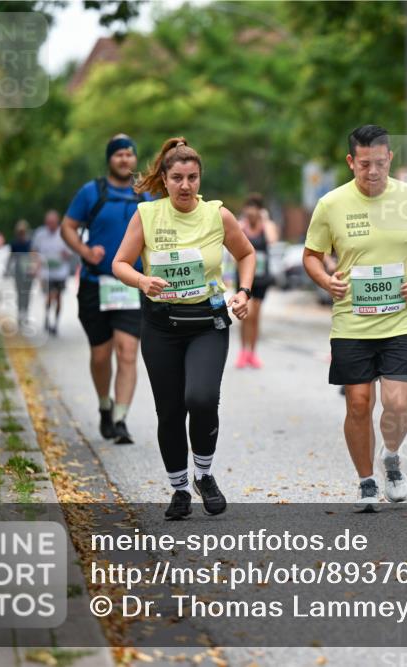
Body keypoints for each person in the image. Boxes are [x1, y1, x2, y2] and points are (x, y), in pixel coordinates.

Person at [113, 137, 256, 520]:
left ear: (199, 178)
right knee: (170, 410)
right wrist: (143, 282)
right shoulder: (147, 215)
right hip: (161, 326)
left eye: (192, 177)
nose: (185, 185)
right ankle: (179, 488)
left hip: (207, 322)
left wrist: (244, 292)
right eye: (177, 177)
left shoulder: (217, 215)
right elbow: (121, 263)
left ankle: (204, 475)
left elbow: (246, 253)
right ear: (164, 178)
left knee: (202, 397)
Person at [302, 125, 407, 512]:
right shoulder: (331, 204)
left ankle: (391, 457)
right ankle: (365, 481)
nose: (373, 171)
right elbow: (311, 254)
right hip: (352, 320)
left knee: (397, 402)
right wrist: (326, 280)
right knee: (359, 403)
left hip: (402, 317)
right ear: (351, 162)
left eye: (380, 163)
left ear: (389, 159)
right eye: (364, 165)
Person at [61, 134, 151, 444]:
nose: (125, 159)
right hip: (94, 283)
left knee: (127, 352)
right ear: (109, 159)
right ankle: (104, 405)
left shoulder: (146, 197)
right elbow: (67, 227)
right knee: (101, 355)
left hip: (132, 286)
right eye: (118, 155)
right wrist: (85, 253)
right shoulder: (92, 192)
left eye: (129, 154)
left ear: (135, 159)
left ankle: (121, 418)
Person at [235, 193, 279, 369]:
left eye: (255, 207)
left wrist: (265, 221)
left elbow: (272, 240)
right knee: (246, 314)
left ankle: (252, 352)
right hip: (245, 277)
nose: (251, 211)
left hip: (261, 278)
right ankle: (242, 351)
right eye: (249, 207)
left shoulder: (267, 226)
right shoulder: (241, 226)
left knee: (255, 317)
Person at [31, 210, 72, 335]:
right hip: (46, 272)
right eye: (49, 223)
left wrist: (66, 255)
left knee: (58, 297)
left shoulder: (63, 233)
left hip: (60, 272)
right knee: (49, 296)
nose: (51, 225)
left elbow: (70, 252)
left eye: (53, 223)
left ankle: (56, 322)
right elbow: (34, 251)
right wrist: (36, 263)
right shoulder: (40, 234)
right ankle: (47, 317)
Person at [8, 221, 35, 325]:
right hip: (19, 271)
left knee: (27, 293)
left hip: (28, 271)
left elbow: (33, 256)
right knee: (20, 293)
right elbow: (12, 257)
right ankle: (20, 313)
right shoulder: (14, 243)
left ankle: (25, 313)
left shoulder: (29, 243)